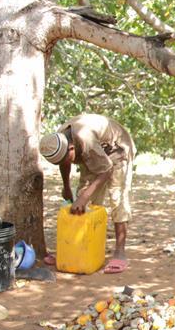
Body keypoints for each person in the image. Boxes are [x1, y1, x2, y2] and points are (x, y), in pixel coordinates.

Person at [39, 113, 136, 274]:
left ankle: (120, 252)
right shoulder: (58, 140)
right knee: (84, 204)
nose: (66, 163)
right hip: (92, 154)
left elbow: (107, 169)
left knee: (117, 197)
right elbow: (64, 163)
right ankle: (76, 250)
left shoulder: (85, 139)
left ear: (71, 148)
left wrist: (84, 198)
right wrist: (67, 187)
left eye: (67, 158)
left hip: (118, 150)